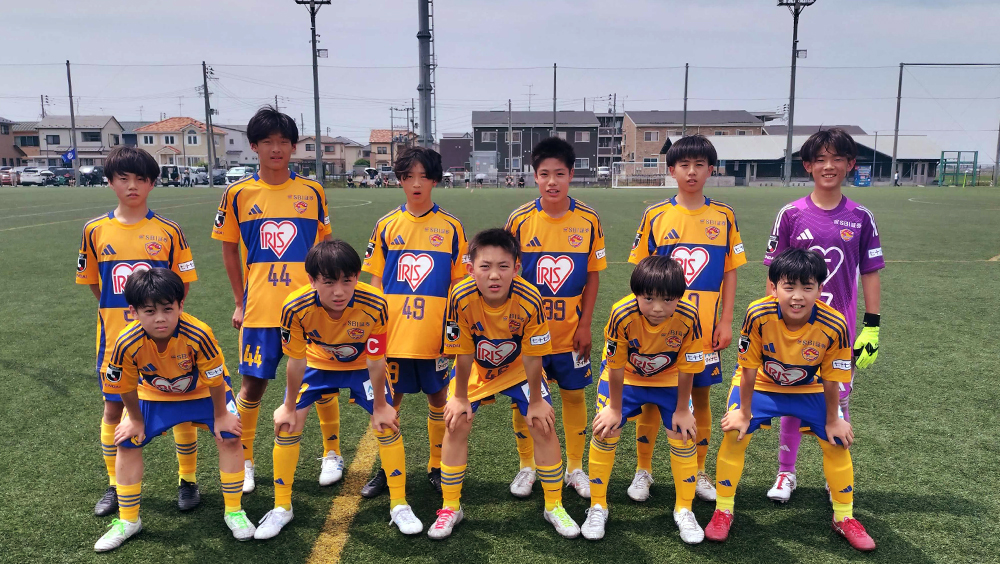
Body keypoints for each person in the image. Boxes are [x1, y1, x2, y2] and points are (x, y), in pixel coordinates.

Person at [704, 248, 876, 552]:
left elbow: (832, 378)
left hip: (808, 387)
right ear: (774, 288)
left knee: (837, 441)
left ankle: (844, 516)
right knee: (734, 432)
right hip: (762, 383)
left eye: (807, 287)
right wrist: (744, 412)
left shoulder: (835, 324)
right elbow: (748, 368)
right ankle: (723, 510)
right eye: (789, 287)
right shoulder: (758, 313)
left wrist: (834, 419)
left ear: (820, 290)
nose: (798, 296)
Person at [253, 240, 424, 539]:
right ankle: (281, 507)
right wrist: (289, 406)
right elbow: (296, 360)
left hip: (361, 366)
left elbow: (376, 359)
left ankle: (399, 504)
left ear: (357, 277)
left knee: (387, 423)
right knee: (287, 425)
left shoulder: (376, 303)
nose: (339, 291)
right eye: (329, 282)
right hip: (318, 363)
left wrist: (381, 405)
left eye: (347, 280)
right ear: (312, 280)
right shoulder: (294, 306)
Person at [427, 228, 580, 540]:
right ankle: (450, 506)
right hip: (478, 369)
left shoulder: (530, 298)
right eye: (485, 266)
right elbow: (463, 351)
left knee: (542, 424)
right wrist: (459, 397)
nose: (494, 275)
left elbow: (534, 356)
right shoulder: (460, 296)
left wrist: (536, 401)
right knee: (456, 422)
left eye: (503, 266)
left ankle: (554, 505)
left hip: (518, 369)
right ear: (470, 268)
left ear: (517, 267)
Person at [211, 106, 332, 494]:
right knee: (252, 386)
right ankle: (245, 459)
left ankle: (332, 453)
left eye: (283, 142)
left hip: (309, 308)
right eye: (267, 142)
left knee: (321, 381)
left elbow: (325, 247)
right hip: (261, 308)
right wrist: (239, 301)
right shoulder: (237, 193)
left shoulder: (312, 192)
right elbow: (229, 249)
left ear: (293, 147)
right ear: (254, 146)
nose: (276, 149)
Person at [76, 145, 202, 518]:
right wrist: (121, 315)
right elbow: (95, 283)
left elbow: (181, 285)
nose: (132, 186)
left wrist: (159, 317)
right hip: (114, 341)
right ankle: (116, 485)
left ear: (152, 183)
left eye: (141, 179)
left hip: (167, 339)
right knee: (113, 409)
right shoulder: (94, 230)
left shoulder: (168, 230)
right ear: (110, 182)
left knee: (181, 406)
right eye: (123, 178)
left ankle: (188, 480)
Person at [762, 127, 884, 503]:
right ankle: (786, 473)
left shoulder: (861, 217)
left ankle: (835, 476)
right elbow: (773, 275)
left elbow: (870, 273)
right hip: (793, 329)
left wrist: (872, 327)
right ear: (808, 166)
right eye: (820, 159)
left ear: (851, 164)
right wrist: (771, 323)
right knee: (792, 398)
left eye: (837, 159)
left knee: (838, 402)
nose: (828, 166)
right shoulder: (791, 214)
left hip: (838, 333)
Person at [93, 268, 252, 552]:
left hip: (204, 392)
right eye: (149, 311)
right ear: (133, 312)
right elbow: (125, 387)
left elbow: (215, 379)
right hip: (153, 394)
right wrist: (136, 420)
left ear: (180, 306)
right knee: (128, 441)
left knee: (229, 435)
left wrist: (221, 416)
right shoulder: (125, 341)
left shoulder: (198, 333)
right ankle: (129, 520)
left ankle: (234, 511)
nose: (160, 318)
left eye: (168, 309)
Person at [626, 135, 746, 504]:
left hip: (704, 330)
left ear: (711, 170)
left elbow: (730, 272)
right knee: (651, 399)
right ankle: (643, 470)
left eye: (699, 165)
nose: (691, 172)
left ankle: (698, 470)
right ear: (671, 170)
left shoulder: (724, 216)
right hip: (659, 330)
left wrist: (726, 321)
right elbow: (640, 274)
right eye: (684, 165)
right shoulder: (655, 215)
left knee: (700, 397)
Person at [359, 146, 468, 498]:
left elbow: (460, 285)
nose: (416, 184)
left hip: (434, 334)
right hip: (394, 333)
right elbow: (375, 280)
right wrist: (376, 328)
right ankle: (386, 468)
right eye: (408, 177)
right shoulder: (386, 225)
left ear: (435, 180)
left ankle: (436, 466)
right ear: (400, 181)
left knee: (439, 399)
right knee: (388, 401)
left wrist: (452, 333)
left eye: (423, 177)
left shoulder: (451, 227)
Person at [503, 136, 607, 500]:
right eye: (544, 174)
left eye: (559, 174)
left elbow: (592, 275)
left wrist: (585, 324)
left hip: (570, 333)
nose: (552, 181)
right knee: (524, 399)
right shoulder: (519, 220)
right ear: (534, 176)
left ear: (571, 175)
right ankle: (527, 466)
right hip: (528, 335)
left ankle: (575, 467)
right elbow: (507, 274)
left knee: (574, 396)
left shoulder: (588, 219)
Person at [581, 256, 706, 543]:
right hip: (626, 377)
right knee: (605, 429)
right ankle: (597, 506)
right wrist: (614, 408)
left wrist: (682, 409)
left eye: (667, 299)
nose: (658, 308)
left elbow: (688, 367)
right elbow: (614, 365)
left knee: (684, 433)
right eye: (648, 298)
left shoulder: (689, 316)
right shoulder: (621, 312)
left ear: (679, 296)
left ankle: (684, 509)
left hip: (669, 378)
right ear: (636, 293)